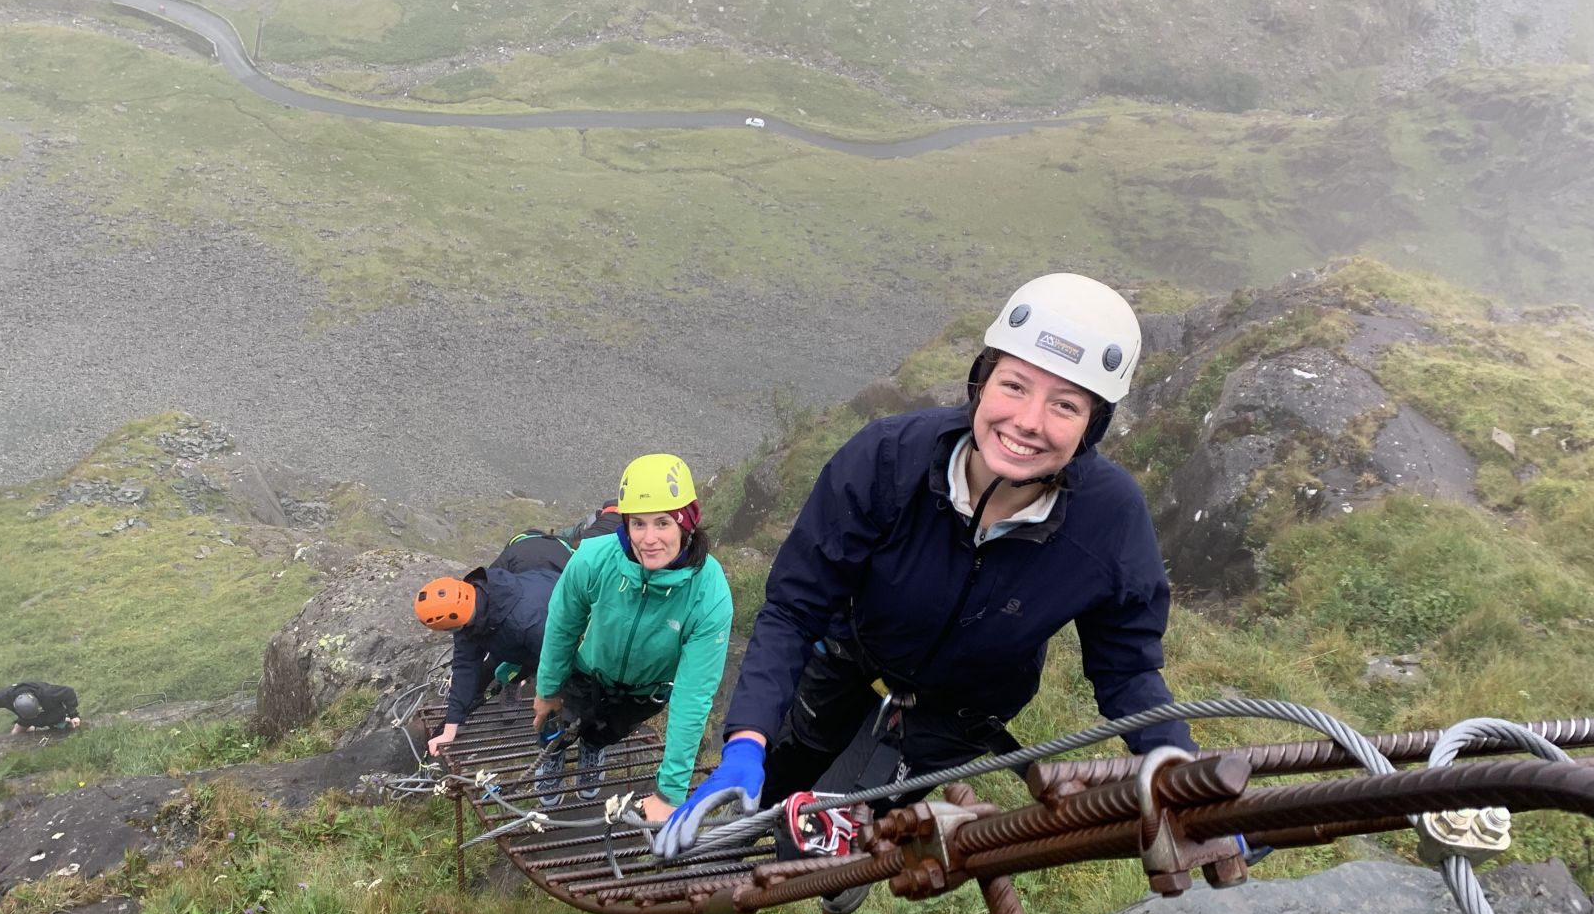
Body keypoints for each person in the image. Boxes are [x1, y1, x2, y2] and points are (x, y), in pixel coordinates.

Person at [656, 272, 1197, 861]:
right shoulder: (888, 459)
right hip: (852, 657)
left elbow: (1128, 672)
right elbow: (795, 607)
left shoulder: (1110, 521)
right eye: (1014, 385)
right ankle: (741, 843)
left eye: (1064, 404)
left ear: (1093, 425)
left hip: (960, 710)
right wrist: (746, 741)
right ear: (981, 381)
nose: (1028, 422)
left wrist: (1185, 783)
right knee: (792, 758)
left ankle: (826, 866)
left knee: (866, 821)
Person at [530, 454, 733, 818]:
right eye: (638, 523)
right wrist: (547, 690)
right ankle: (553, 757)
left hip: (643, 692)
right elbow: (562, 624)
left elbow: (693, 694)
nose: (649, 538)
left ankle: (593, 747)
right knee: (555, 725)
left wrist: (670, 793)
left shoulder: (709, 592)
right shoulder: (594, 558)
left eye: (663, 523)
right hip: (587, 672)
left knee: (604, 732)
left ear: (686, 524)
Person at [415, 505, 620, 758]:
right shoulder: (470, 601)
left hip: (558, 564)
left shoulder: (529, 622)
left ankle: (584, 746)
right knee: (505, 659)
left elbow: (564, 660)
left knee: (597, 545)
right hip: (523, 553)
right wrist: (450, 727)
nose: (458, 634)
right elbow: (465, 667)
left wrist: (550, 694)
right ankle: (515, 681)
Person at [0, 683, 80, 743]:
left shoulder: (46, 693)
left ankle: (65, 720)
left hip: (52, 711)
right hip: (27, 718)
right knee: (15, 735)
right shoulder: (5, 696)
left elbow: (69, 692)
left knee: (60, 724)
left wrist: (74, 714)